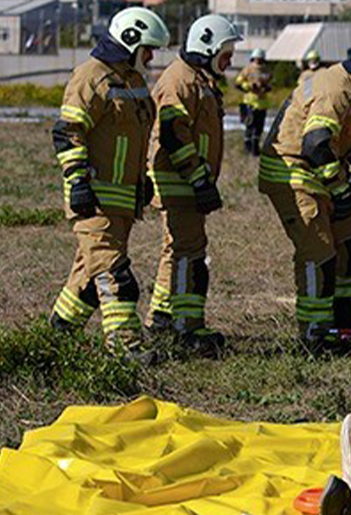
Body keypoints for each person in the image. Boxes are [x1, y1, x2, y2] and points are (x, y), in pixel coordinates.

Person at [258, 40, 351, 348]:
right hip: (294, 172)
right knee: (319, 253)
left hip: (322, 172)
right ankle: (315, 334)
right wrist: (340, 192)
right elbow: (315, 143)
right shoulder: (337, 88)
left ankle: (342, 310)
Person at [48, 7, 168, 360]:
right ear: (130, 40)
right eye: (147, 49)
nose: (149, 57)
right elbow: (68, 131)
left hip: (121, 203)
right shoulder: (91, 77)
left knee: (87, 278)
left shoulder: (132, 81)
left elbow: (133, 137)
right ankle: (124, 347)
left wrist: (142, 179)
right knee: (117, 276)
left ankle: (59, 333)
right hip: (94, 200)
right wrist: (77, 180)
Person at [144, 15, 242, 354]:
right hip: (180, 181)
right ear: (206, 48)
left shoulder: (196, 79)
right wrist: (198, 178)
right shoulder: (179, 81)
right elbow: (174, 134)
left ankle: (160, 317)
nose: (229, 62)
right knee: (190, 253)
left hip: (187, 180)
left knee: (175, 249)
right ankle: (187, 330)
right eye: (225, 54)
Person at [235, 48, 272, 156]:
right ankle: (248, 148)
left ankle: (255, 148)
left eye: (260, 60)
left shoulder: (266, 71)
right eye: (257, 60)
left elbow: (271, 84)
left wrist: (266, 87)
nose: (258, 62)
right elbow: (238, 83)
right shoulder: (248, 70)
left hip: (262, 103)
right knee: (250, 126)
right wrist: (249, 86)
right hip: (250, 102)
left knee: (259, 127)